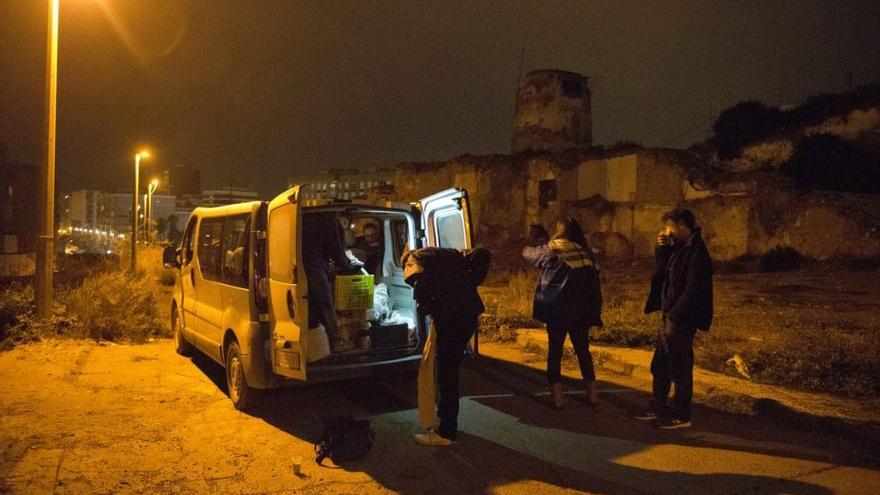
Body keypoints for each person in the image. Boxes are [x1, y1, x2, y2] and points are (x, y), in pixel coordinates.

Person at [402, 246, 490, 446]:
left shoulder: (418, 268)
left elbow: (423, 306)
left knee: (446, 377)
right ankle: (448, 424)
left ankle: (445, 433)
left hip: (450, 322)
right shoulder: (450, 261)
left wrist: (431, 304)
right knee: (451, 373)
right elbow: (482, 253)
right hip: (468, 317)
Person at [636, 208, 713, 429]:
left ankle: (681, 415)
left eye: (669, 226)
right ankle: (658, 406)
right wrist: (661, 249)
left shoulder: (696, 251)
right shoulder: (679, 248)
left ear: (681, 225)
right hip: (669, 315)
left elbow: (694, 289)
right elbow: (661, 273)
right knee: (660, 364)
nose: (666, 231)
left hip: (681, 317)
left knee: (679, 365)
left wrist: (676, 314)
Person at [523, 217, 603, 409]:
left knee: (555, 351)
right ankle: (593, 396)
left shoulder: (551, 249)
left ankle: (557, 399)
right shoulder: (585, 253)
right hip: (581, 311)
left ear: (558, 230)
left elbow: (527, 254)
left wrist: (534, 239)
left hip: (557, 310)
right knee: (583, 351)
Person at [302, 212, 355, 353]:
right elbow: (336, 248)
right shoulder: (327, 217)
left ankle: (311, 345)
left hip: (297, 267)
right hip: (314, 266)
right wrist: (347, 265)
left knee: (308, 305)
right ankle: (337, 341)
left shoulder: (300, 216)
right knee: (326, 303)